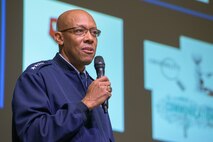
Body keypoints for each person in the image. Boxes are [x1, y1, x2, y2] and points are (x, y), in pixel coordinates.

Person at [12, 9, 114, 142]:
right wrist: (85, 104)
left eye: (94, 33)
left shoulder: (92, 85)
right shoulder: (37, 77)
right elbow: (32, 134)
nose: (90, 38)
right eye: (79, 31)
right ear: (59, 38)